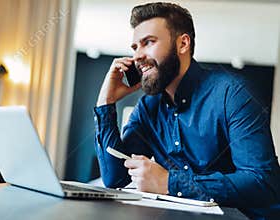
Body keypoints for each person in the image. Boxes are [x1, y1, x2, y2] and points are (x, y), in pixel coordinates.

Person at [93, 2, 280, 219]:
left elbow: (263, 182)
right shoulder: (147, 108)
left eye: (148, 42)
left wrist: (169, 182)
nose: (137, 56)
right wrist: (105, 103)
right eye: (135, 47)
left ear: (183, 44)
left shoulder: (233, 94)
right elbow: (116, 178)